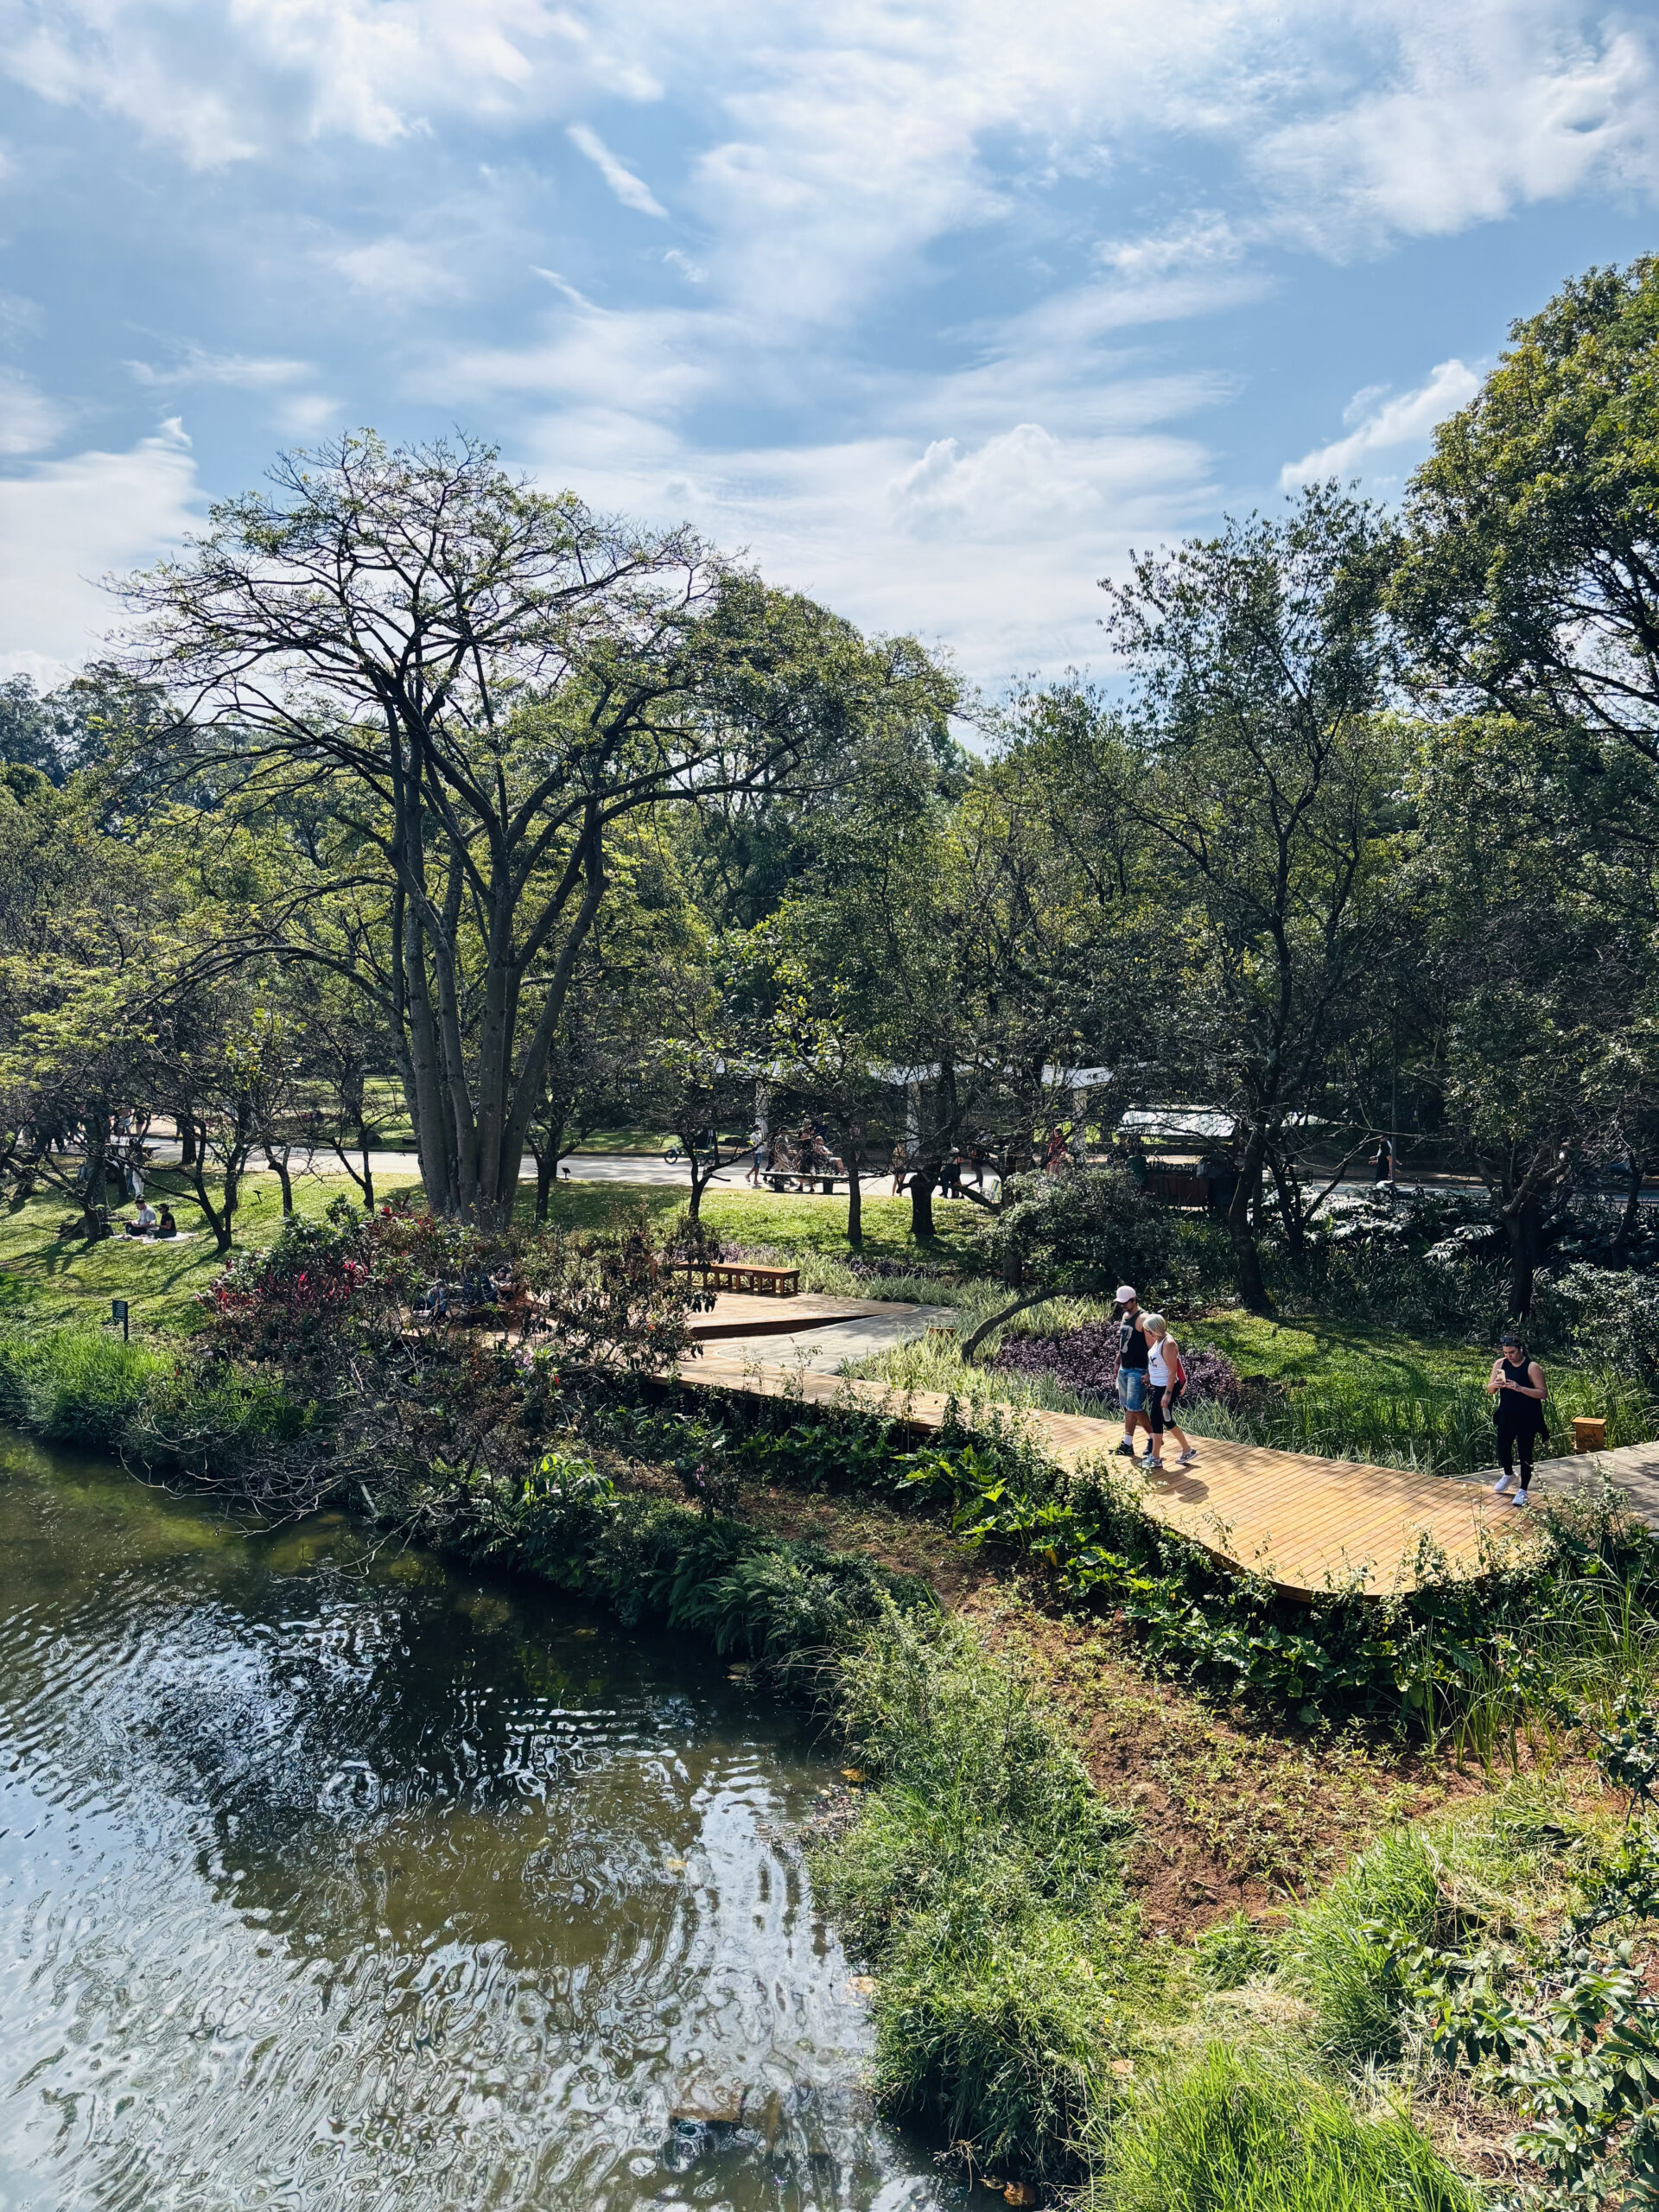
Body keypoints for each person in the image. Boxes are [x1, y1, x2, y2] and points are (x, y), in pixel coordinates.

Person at [1488, 1333, 1548, 1505]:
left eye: (1512, 1352)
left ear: (1520, 1349)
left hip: (1528, 1416)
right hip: (1507, 1413)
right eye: (1506, 1352)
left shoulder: (1532, 1367)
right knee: (1502, 1447)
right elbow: (1490, 1390)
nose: (1508, 1356)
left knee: (1525, 1453)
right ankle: (1509, 1474)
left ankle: (1523, 1490)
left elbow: (1543, 1394)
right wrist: (1495, 1386)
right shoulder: (1500, 1364)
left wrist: (1520, 1388)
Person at [1143, 1314, 1198, 1468]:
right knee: (1166, 1419)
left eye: (1149, 1330)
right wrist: (1149, 1376)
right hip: (1158, 1386)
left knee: (1156, 1419)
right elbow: (1157, 1364)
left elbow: (1172, 1372)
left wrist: (1167, 1394)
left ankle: (1155, 1457)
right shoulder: (1158, 1341)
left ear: (1156, 1329)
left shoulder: (1168, 1344)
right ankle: (1188, 1450)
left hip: (1166, 1388)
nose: (1148, 1333)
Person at [1112, 1287, 1153, 1459]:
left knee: (1135, 1407)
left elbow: (1153, 1348)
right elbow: (1123, 1342)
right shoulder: (1125, 1316)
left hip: (1138, 1370)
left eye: (1124, 1303)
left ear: (1133, 1300)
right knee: (1128, 1407)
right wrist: (1117, 1361)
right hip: (1125, 1368)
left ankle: (1155, 1438)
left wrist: (1150, 1373)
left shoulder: (1144, 1319)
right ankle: (1127, 1444)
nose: (1122, 1306)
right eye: (1119, 1303)